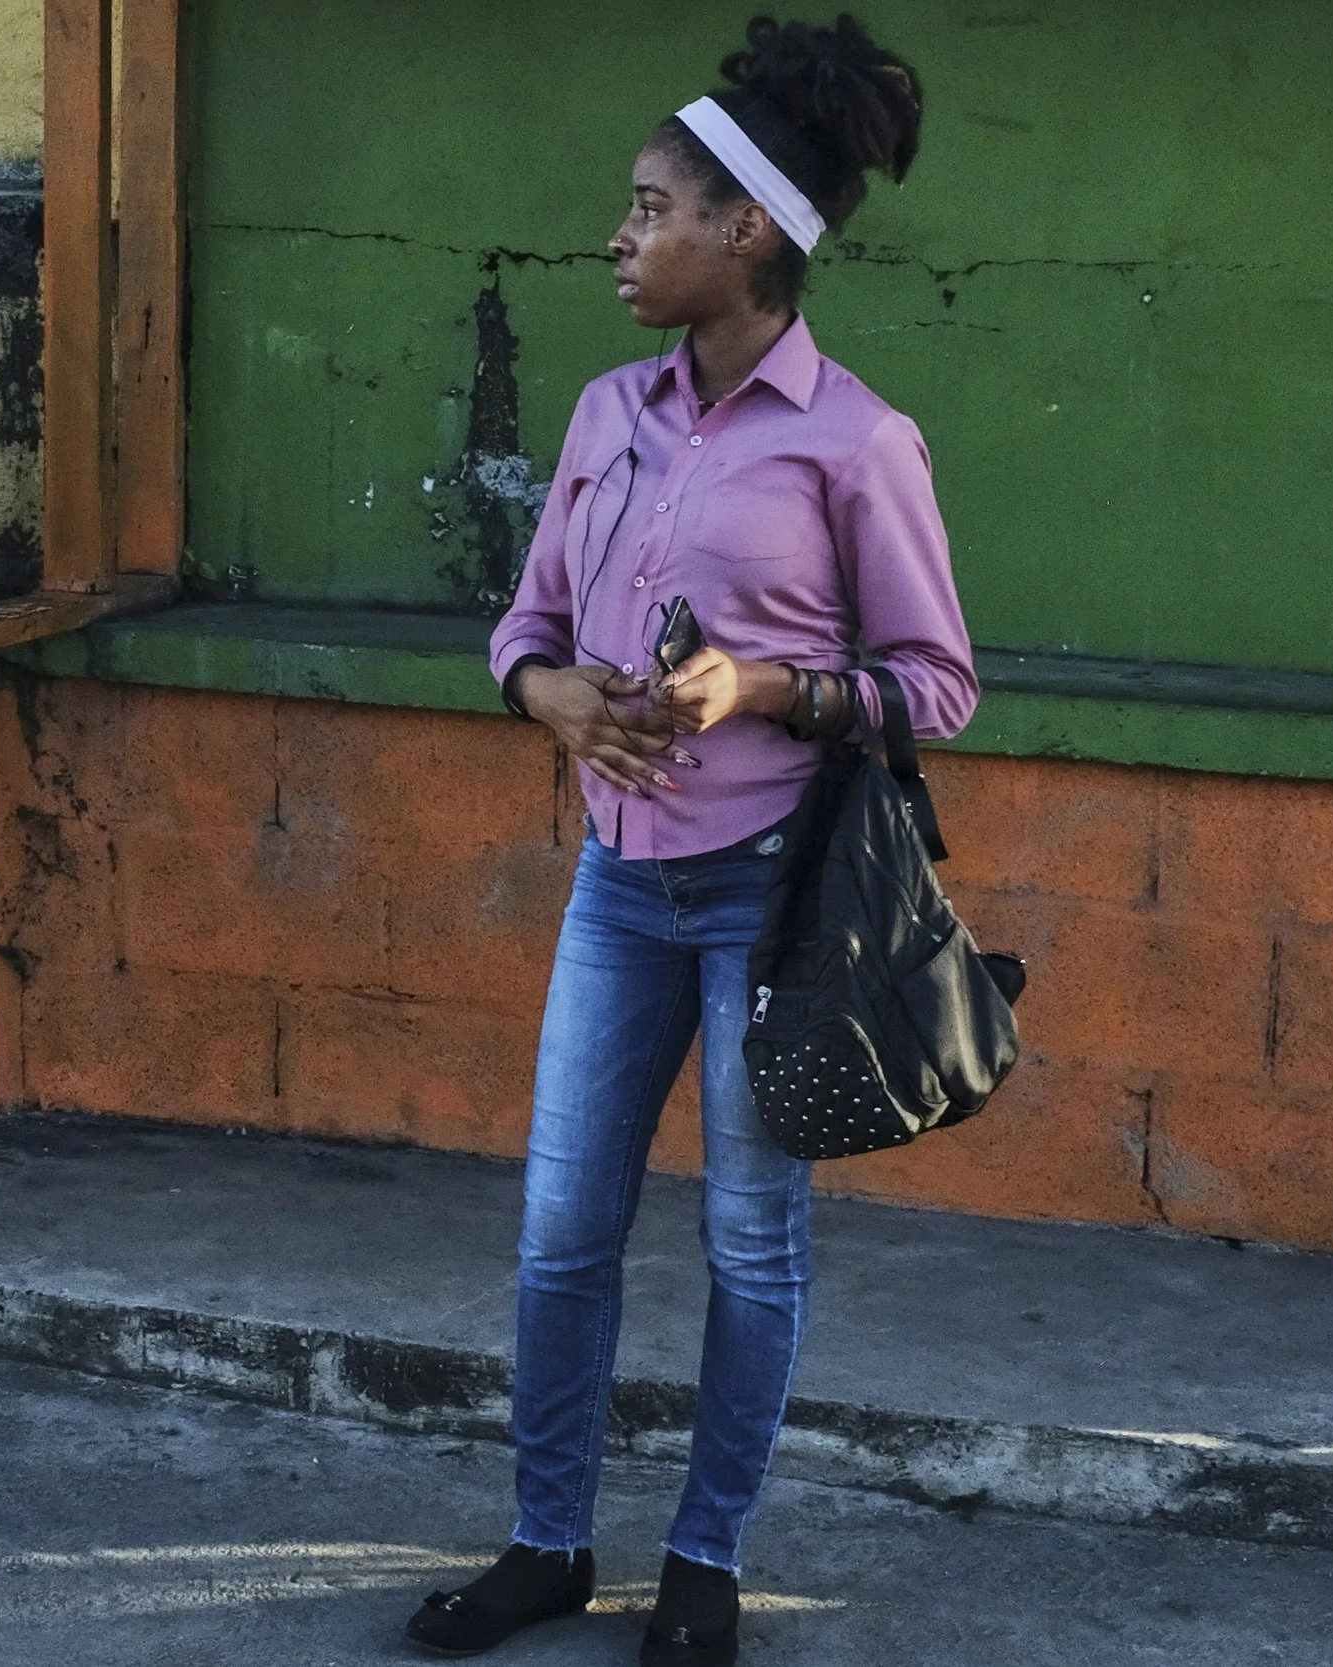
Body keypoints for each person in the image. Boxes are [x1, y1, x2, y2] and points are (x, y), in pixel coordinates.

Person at [404, 17, 977, 1665]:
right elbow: (523, 623)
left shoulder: (856, 443)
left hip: (769, 907)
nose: (620, 236)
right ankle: (547, 1542)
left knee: (749, 1242)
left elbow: (937, 686)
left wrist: (766, 684)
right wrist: (552, 697)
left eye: (652, 209)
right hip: (617, 887)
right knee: (560, 1232)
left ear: (748, 233)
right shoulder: (608, 413)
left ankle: (706, 1560)